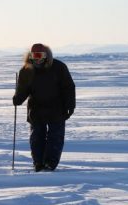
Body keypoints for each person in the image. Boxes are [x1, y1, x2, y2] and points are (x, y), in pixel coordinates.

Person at [13, 43, 76, 172]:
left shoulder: (59, 67)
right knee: (37, 137)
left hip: (57, 108)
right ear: (30, 56)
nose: (37, 59)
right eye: (34, 56)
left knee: (55, 137)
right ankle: (38, 163)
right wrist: (18, 98)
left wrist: (70, 105)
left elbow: (68, 87)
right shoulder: (26, 70)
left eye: (40, 55)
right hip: (36, 109)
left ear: (46, 55)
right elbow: (23, 89)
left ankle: (50, 164)